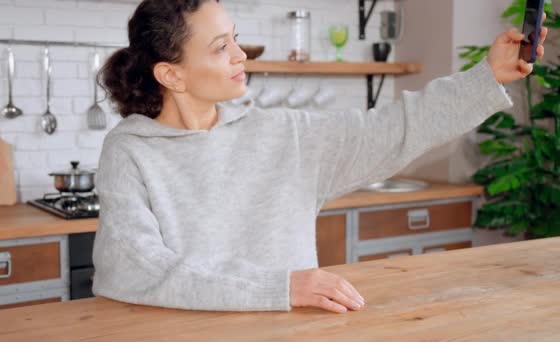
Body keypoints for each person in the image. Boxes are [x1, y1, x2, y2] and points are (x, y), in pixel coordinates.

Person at [92, 0, 547, 314]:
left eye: (235, 39)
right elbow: (130, 267)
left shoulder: (282, 134)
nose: (239, 55)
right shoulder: (130, 151)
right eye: (219, 47)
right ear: (171, 74)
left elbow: (390, 130)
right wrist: (280, 287)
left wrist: (488, 76)